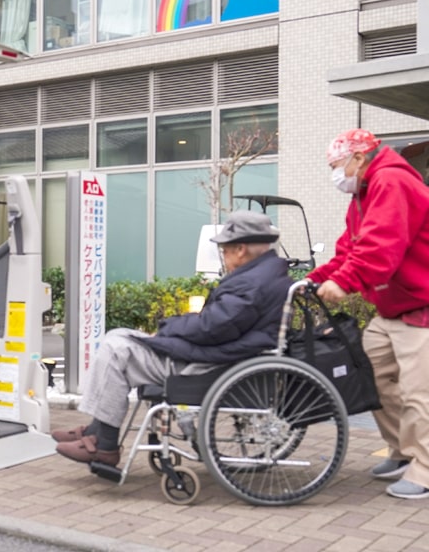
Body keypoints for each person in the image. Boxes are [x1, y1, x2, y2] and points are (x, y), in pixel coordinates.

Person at [54, 210, 293, 467]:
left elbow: (213, 327)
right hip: (219, 355)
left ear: (241, 249)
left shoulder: (252, 282)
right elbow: (218, 324)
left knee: (115, 350)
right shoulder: (266, 274)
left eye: (224, 250)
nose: (223, 256)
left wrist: (168, 327)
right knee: (119, 337)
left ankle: (104, 443)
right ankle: (96, 430)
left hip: (206, 363)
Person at [307, 128, 429, 500]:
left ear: (359, 158)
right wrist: (313, 280)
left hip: (421, 305)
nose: (335, 174)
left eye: (336, 165)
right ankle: (403, 452)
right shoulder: (363, 194)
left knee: (418, 391)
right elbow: (349, 249)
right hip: (393, 307)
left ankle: (425, 469)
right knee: (368, 372)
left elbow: (382, 245)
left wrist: (346, 282)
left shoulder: (391, 182)